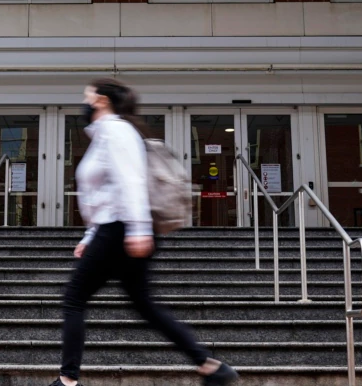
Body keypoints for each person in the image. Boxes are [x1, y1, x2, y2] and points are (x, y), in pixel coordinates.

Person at [49, 78, 239, 386]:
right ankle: (211, 367)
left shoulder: (116, 131)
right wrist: (89, 236)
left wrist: (138, 230)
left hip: (121, 228)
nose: (82, 102)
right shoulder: (105, 135)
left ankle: (68, 381)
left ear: (101, 100)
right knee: (143, 303)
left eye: (86, 96)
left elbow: (131, 182)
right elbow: (104, 193)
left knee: (74, 299)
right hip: (115, 229)